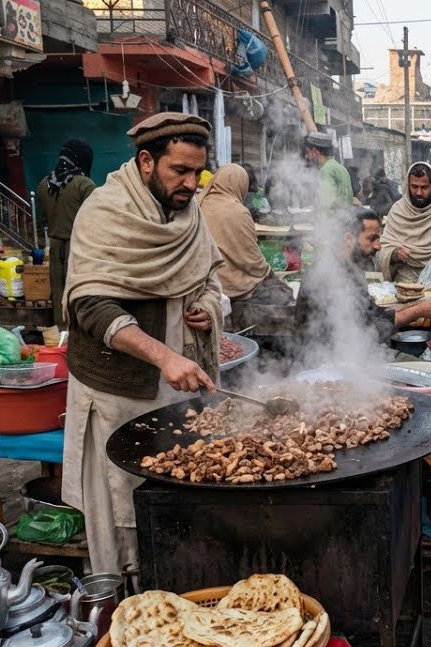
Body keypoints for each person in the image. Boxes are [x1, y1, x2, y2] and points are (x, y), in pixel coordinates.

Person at [62, 112, 222, 574]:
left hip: (179, 385)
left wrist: (206, 309)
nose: (192, 184)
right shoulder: (103, 211)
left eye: (198, 172)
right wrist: (163, 355)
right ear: (147, 161)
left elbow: (210, 280)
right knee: (123, 518)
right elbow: (90, 306)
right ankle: (124, 608)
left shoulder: (189, 215)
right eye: (180, 171)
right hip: (119, 393)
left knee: (177, 506)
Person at [295, 207, 431, 344]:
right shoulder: (327, 275)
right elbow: (366, 329)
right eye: (372, 239)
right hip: (327, 362)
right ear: (349, 239)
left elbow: (373, 313)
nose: (378, 246)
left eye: (378, 239)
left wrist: (418, 306)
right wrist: (418, 312)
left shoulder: (350, 269)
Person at [199, 164, 297, 314]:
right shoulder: (238, 211)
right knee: (283, 293)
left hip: (203, 283)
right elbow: (252, 261)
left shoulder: (198, 204)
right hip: (232, 286)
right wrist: (270, 273)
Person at [37, 139, 97, 328]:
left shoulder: (44, 184)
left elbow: (43, 220)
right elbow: (97, 218)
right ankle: (81, 333)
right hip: (80, 248)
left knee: (58, 293)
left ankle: (62, 335)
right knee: (81, 291)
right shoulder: (84, 184)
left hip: (54, 248)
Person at [302, 132, 352, 213]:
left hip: (334, 223)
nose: (306, 157)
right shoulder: (341, 168)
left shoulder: (326, 170)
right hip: (345, 221)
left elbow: (326, 206)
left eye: (307, 153)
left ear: (315, 151)